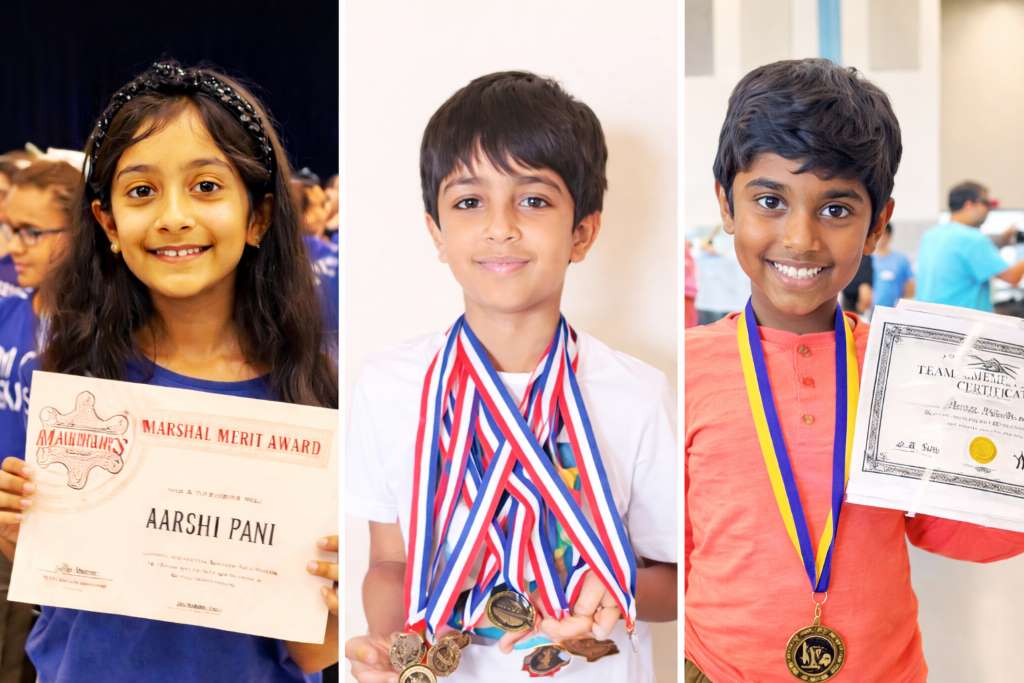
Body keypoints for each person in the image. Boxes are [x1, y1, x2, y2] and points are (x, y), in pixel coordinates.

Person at [685, 58, 1024, 682]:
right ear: (726, 205)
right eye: (770, 201)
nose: (801, 238)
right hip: (720, 669)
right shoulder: (688, 372)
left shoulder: (905, 368)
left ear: (877, 226)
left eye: (837, 210)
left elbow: (948, 529)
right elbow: (675, 547)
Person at [0, 62, 339, 683]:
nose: (173, 216)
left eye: (206, 186)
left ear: (259, 216)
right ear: (107, 223)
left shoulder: (310, 397)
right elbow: (60, 587)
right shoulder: (79, 378)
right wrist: (20, 532)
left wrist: (339, 593)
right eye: (141, 191)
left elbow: (314, 653)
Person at [345, 71, 677, 683]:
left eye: (534, 200)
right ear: (437, 232)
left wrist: (618, 584)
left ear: (583, 232)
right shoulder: (388, 386)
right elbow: (390, 563)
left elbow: (677, 580)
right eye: (469, 202)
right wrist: (390, 645)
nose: (501, 227)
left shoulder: (636, 392)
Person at [0, 158, 79, 683]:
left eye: (31, 232)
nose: (14, 247)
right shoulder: (7, 311)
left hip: (53, 537)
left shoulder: (97, 333)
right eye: (9, 229)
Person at [916, 181, 1024, 311]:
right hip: (962, 321)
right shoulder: (973, 238)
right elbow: (1012, 277)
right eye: (986, 203)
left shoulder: (931, 235)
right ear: (969, 205)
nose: (989, 210)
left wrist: (1003, 240)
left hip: (930, 317)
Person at [872, 222, 914, 309]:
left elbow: (910, 288)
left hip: (893, 310)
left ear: (889, 236)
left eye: (882, 234)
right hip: (871, 311)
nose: (879, 238)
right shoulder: (867, 260)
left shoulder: (901, 260)